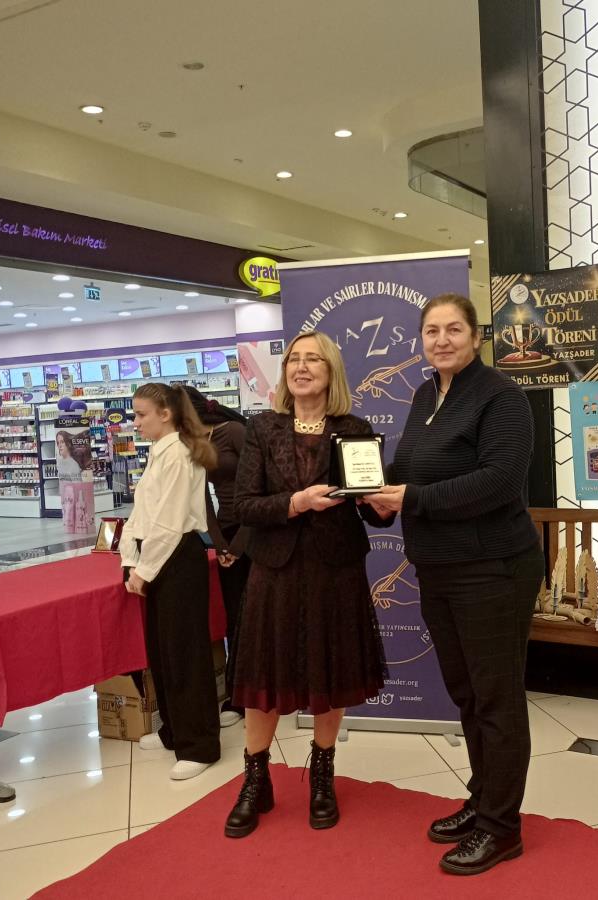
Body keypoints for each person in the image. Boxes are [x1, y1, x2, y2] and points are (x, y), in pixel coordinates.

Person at [364, 293, 544, 877]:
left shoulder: (502, 397)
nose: (442, 340)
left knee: (496, 698)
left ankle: (502, 827)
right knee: (466, 693)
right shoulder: (426, 394)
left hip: (493, 567)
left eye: (454, 330)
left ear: (476, 336)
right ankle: (483, 798)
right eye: (432, 331)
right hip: (438, 567)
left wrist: (412, 499)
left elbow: (499, 481)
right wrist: (374, 494)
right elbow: (410, 470)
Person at [225, 331, 388, 839]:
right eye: (293, 359)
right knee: (264, 674)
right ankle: (256, 779)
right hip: (274, 569)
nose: (300, 366)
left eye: (312, 359)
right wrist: (296, 503)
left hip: (335, 569)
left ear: (330, 370)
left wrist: (378, 504)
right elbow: (243, 506)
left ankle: (322, 775)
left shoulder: (355, 429)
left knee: (330, 668)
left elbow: (372, 510)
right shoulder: (262, 427)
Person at [117, 382, 221, 781]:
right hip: (160, 557)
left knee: (185, 655)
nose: (136, 422)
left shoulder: (177, 453)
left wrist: (143, 570)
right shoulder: (159, 452)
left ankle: (199, 744)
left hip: (177, 558)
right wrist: (130, 557)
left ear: (166, 414)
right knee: (162, 652)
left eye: (141, 414)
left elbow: (170, 522)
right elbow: (142, 513)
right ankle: (174, 731)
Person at [183, 386, 250, 728]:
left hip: (254, 532)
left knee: (259, 616)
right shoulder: (192, 444)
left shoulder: (234, 432)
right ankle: (238, 695)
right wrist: (220, 544)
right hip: (225, 533)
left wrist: (238, 545)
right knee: (235, 618)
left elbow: (261, 487)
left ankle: (262, 690)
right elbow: (202, 498)